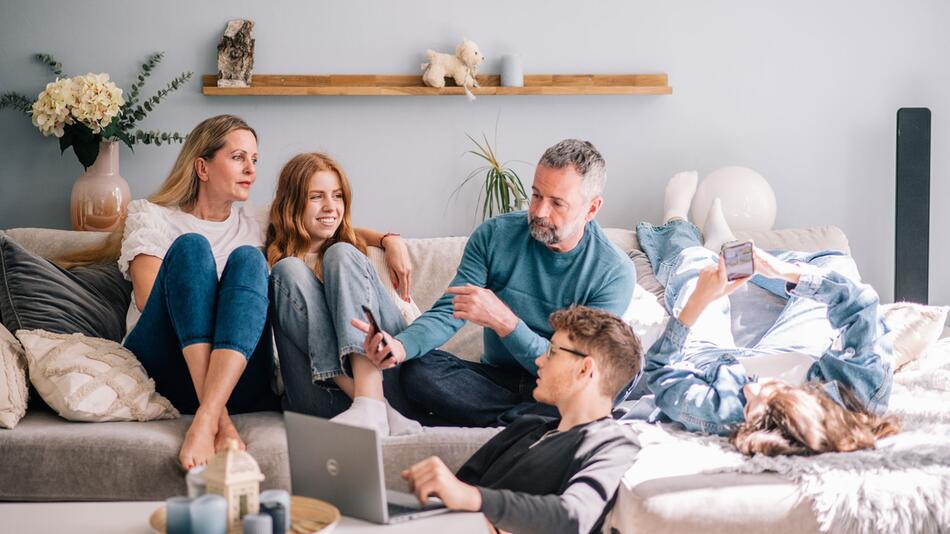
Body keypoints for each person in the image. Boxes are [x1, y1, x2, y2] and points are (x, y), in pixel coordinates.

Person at [353, 139, 636, 427]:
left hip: (557, 388)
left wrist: (506, 323)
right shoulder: (496, 235)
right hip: (495, 381)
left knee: (585, 396)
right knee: (418, 368)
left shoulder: (613, 272)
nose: (539, 212)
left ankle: (512, 421)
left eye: (556, 203)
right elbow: (449, 311)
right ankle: (525, 424)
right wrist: (399, 346)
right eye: (536, 195)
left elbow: (578, 371)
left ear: (591, 209)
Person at [618, 172, 900, 455]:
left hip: (712, 361)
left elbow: (662, 372)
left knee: (697, 271)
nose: (750, 390)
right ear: (810, 400)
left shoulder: (727, 414)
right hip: (798, 350)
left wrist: (699, 301)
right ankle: (729, 250)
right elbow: (861, 306)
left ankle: (676, 219)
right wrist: (783, 271)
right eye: (769, 393)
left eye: (751, 409)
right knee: (838, 264)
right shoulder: (858, 395)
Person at [63, 115, 279, 469]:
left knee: (250, 260)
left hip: (239, 377)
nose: (251, 170)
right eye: (239, 158)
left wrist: (386, 240)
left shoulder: (257, 223)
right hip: (167, 367)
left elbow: (325, 218)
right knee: (192, 248)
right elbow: (149, 299)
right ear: (202, 167)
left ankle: (208, 412)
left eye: (254, 160)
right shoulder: (153, 216)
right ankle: (217, 420)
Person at [400, 306, 641, 534]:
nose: (539, 360)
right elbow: (460, 490)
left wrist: (474, 499)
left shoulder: (614, 442)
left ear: (584, 369)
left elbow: (574, 517)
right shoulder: (528, 426)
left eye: (552, 351)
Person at [266, 152, 426, 436]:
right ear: (291, 203)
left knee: (339, 253)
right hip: (318, 394)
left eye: (337, 196)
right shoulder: (271, 264)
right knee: (287, 270)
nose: (330, 207)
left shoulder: (356, 255)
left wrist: (390, 240)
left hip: (392, 375)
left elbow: (409, 324)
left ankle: (371, 399)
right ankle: (375, 406)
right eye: (316, 197)